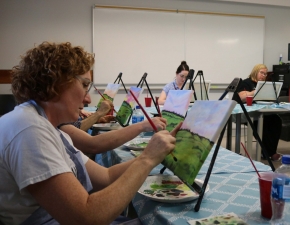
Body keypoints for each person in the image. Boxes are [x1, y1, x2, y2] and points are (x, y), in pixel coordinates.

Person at [0, 42, 180, 225]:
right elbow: (86, 217)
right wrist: (147, 159)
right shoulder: (29, 129)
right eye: (85, 85)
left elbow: (106, 176)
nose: (87, 99)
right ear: (56, 82)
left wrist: (156, 155)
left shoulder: (47, 126)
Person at [235, 64, 282, 161]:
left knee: (276, 120)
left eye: (265, 74)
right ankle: (268, 152)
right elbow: (241, 97)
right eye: (261, 73)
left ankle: (270, 151)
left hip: (261, 112)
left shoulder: (265, 84)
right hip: (247, 113)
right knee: (261, 122)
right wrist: (256, 91)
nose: (264, 75)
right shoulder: (246, 82)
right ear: (255, 71)